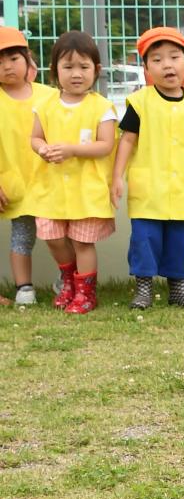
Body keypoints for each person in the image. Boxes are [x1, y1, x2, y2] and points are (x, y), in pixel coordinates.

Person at [110, 26, 184, 309]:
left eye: (174, 57)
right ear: (146, 68)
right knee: (144, 240)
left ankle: (178, 291)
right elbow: (127, 140)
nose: (167, 65)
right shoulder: (139, 102)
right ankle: (144, 290)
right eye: (157, 59)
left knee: (180, 241)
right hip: (149, 189)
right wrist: (117, 177)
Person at [29, 29, 117, 314]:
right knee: (53, 237)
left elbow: (105, 146)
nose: (76, 73)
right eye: (68, 67)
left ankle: (86, 293)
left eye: (84, 67)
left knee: (82, 240)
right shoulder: (44, 106)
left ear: (96, 70)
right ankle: (69, 280)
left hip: (87, 189)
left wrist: (71, 150)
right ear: (55, 70)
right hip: (51, 187)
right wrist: (42, 149)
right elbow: (35, 138)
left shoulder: (102, 107)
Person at [0, 25, 54, 306]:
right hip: (15, 184)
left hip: (52, 181)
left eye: (13, 58)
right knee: (22, 237)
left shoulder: (48, 95)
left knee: (60, 234)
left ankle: (70, 281)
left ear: (27, 59)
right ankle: (24, 288)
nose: (7, 67)